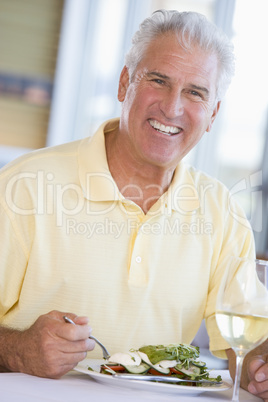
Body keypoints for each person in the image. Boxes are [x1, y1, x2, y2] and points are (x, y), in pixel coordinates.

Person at [0, 9, 267, 400]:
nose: (173, 107)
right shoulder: (25, 186)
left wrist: (260, 367)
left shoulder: (222, 214)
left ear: (213, 114)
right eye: (158, 80)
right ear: (125, 83)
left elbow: (244, 348)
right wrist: (19, 350)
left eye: (196, 92)